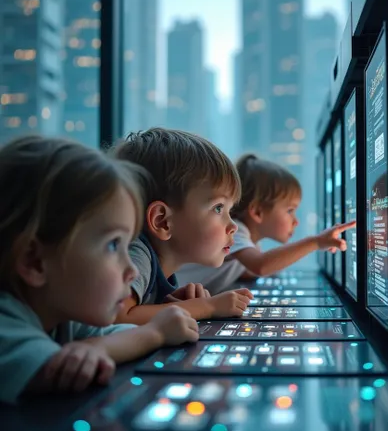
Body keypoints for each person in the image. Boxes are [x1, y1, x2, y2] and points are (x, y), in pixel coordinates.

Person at [0, 136, 199, 405]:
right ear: (34, 262)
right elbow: (53, 368)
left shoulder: (66, 316)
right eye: (113, 245)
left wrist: (141, 335)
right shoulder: (6, 322)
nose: (132, 270)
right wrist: (155, 333)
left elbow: (118, 336)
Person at [112, 127, 253, 324]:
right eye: (219, 208)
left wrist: (175, 303)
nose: (233, 226)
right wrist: (207, 307)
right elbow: (118, 316)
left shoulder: (155, 265)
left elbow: (137, 311)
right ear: (163, 221)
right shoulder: (137, 254)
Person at [177, 154, 356, 294]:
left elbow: (247, 271)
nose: (296, 221)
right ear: (257, 212)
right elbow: (261, 266)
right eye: (289, 210)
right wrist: (315, 242)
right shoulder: (234, 232)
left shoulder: (248, 241)